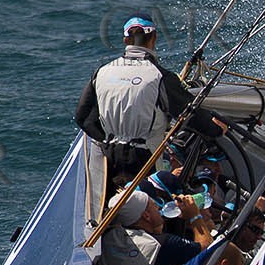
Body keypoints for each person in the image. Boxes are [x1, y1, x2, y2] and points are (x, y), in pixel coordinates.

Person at [74, 14, 225, 184]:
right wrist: (217, 129)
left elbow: (83, 118)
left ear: (125, 41)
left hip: (109, 158)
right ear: (154, 38)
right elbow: (190, 115)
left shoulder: (101, 72)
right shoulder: (160, 77)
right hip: (145, 162)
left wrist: (108, 141)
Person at [98, 191, 162, 265]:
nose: (158, 208)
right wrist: (195, 216)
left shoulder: (108, 236)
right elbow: (198, 251)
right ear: (146, 216)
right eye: (154, 206)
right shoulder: (156, 243)